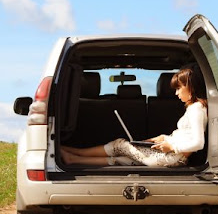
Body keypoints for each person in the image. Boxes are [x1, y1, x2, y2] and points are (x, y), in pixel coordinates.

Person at [61, 67, 208, 167]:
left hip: (171, 158)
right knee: (121, 160)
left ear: (191, 86)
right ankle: (73, 158)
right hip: (172, 158)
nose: (176, 93)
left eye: (178, 88)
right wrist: (164, 138)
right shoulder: (194, 108)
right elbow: (186, 135)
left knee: (120, 144)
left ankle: (76, 152)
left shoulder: (196, 109)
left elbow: (198, 143)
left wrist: (172, 146)